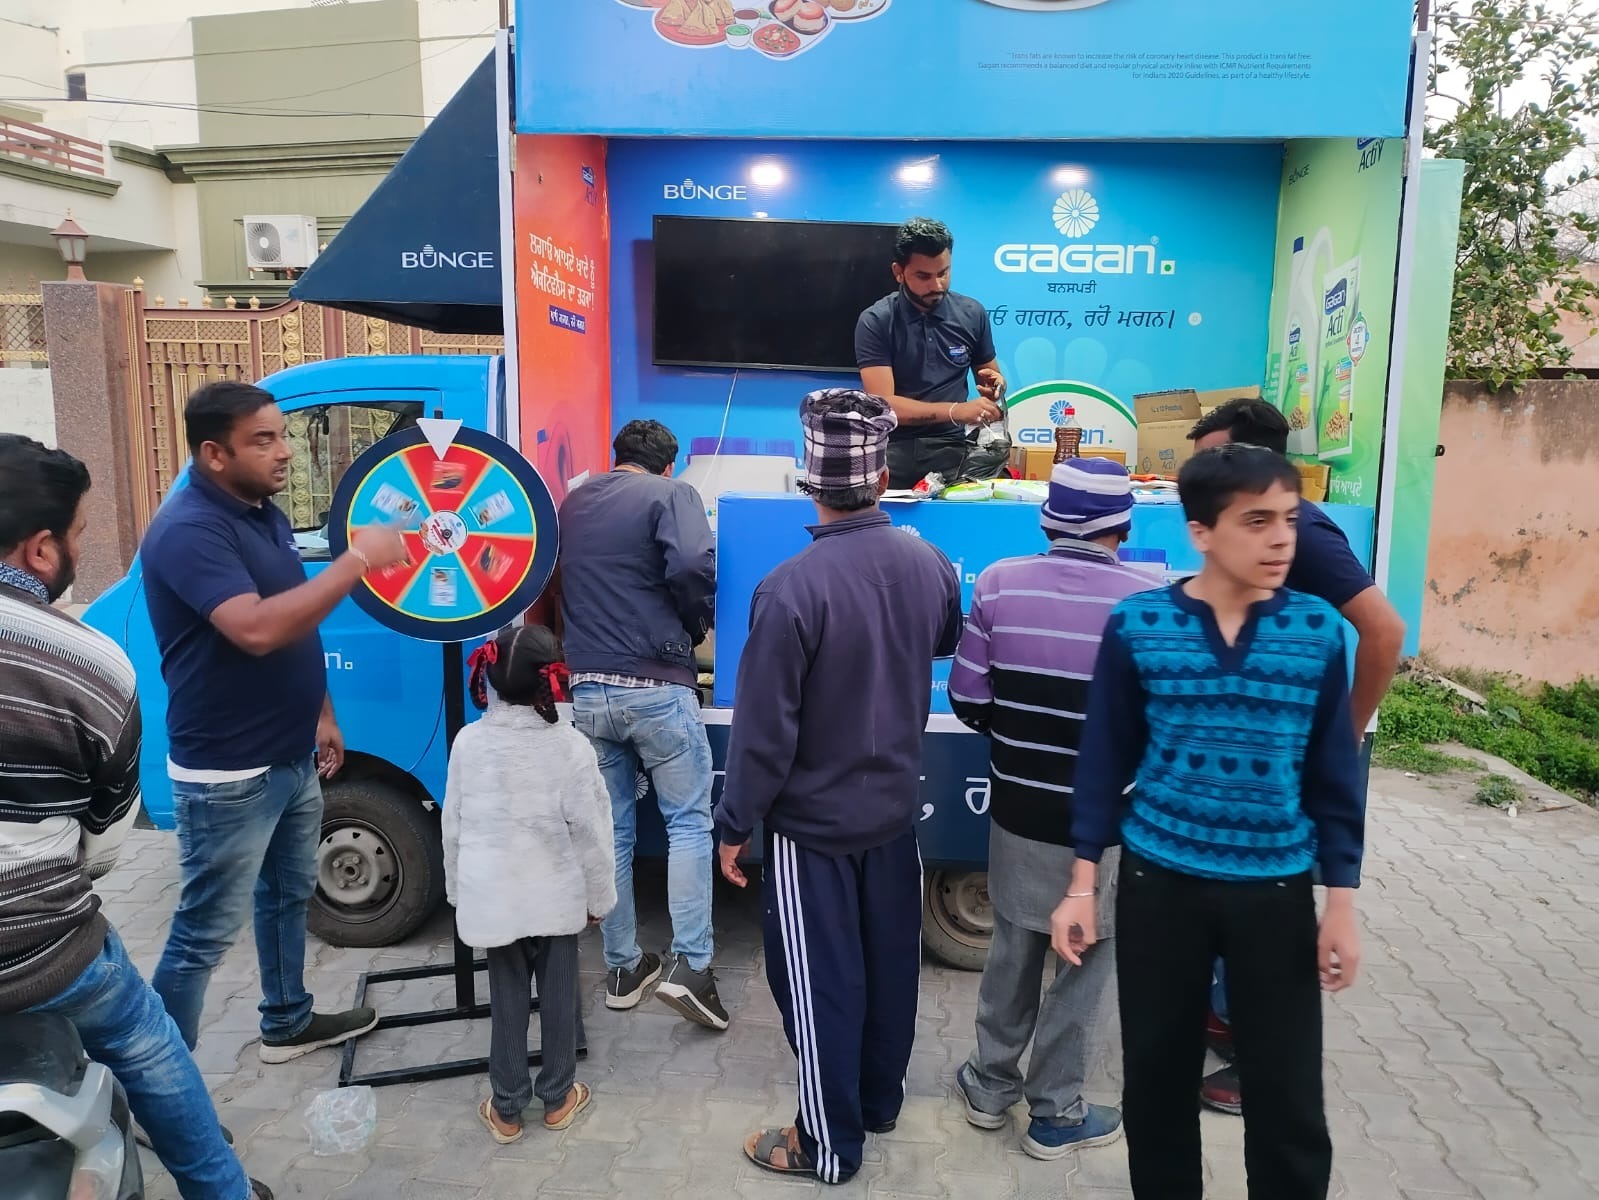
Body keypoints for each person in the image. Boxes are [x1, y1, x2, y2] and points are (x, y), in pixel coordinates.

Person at [1053, 444, 1365, 1200]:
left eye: (1288, 519)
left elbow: (1333, 777)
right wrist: (1081, 885)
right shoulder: (1140, 625)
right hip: (1161, 885)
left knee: (1287, 1093)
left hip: (1275, 891)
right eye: (1256, 521)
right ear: (1201, 531)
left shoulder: (1318, 632)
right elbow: (1103, 759)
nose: (1281, 539)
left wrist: (1340, 905)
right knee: (1157, 1081)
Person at [0, 434, 272, 1200]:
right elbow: (105, 841)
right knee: (147, 1043)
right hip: (41, 951)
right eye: (82, 531)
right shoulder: (87, 661)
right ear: (42, 548)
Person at [717, 388, 963, 1185]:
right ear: (883, 477)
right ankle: (877, 1102)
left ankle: (826, 1145)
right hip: (894, 815)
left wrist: (733, 824)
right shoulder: (928, 564)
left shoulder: (789, 588)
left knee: (819, 985)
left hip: (811, 830)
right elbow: (944, 639)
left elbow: (763, 735)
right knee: (889, 969)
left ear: (807, 481)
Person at [140, 380, 410, 1061]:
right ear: (214, 453)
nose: (284, 451)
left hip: (290, 753)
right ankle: (157, 1083)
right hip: (229, 773)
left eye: (282, 434)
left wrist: (322, 712)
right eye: (262, 441)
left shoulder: (264, 514)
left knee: (288, 895)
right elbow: (257, 630)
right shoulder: (189, 530)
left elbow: (296, 619)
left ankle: (287, 1021)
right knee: (203, 934)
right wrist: (357, 559)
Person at [1187, 397, 1404, 1113]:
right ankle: (1229, 1020)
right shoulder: (1241, 530)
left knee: (1268, 908)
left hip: (1292, 761)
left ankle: (1259, 1067)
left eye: (1216, 458)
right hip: (1250, 756)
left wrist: (1345, 734)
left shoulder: (1299, 532)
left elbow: (1383, 629)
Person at [947, 458, 1152, 1160]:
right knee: (1085, 963)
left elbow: (968, 699)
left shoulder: (998, 583)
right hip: (1109, 824)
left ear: (1047, 520)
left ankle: (988, 1086)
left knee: (1012, 947)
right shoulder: (1149, 601)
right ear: (1123, 526)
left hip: (1018, 808)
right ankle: (1056, 1113)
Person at [556, 419, 725, 1029]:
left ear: (618, 456)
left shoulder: (574, 502)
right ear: (668, 464)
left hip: (588, 690)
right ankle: (692, 967)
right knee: (688, 824)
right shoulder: (672, 494)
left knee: (613, 833)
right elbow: (693, 564)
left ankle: (624, 969)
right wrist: (696, 624)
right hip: (656, 684)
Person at [444, 623, 615, 1144]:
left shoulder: (469, 743)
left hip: (495, 899)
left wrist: (458, 892)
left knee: (507, 1001)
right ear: (553, 680)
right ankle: (559, 1097)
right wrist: (599, 897)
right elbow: (592, 830)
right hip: (556, 898)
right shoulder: (570, 746)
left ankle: (507, 1107)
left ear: (491, 676)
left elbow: (453, 825)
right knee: (560, 1000)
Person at [856, 216, 1007, 489]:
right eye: (923, 276)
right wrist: (956, 411)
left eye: (943, 273)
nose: (937, 285)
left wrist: (996, 387)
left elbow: (990, 379)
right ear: (899, 272)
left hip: (953, 447)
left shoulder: (973, 313)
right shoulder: (876, 320)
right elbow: (884, 406)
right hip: (893, 448)